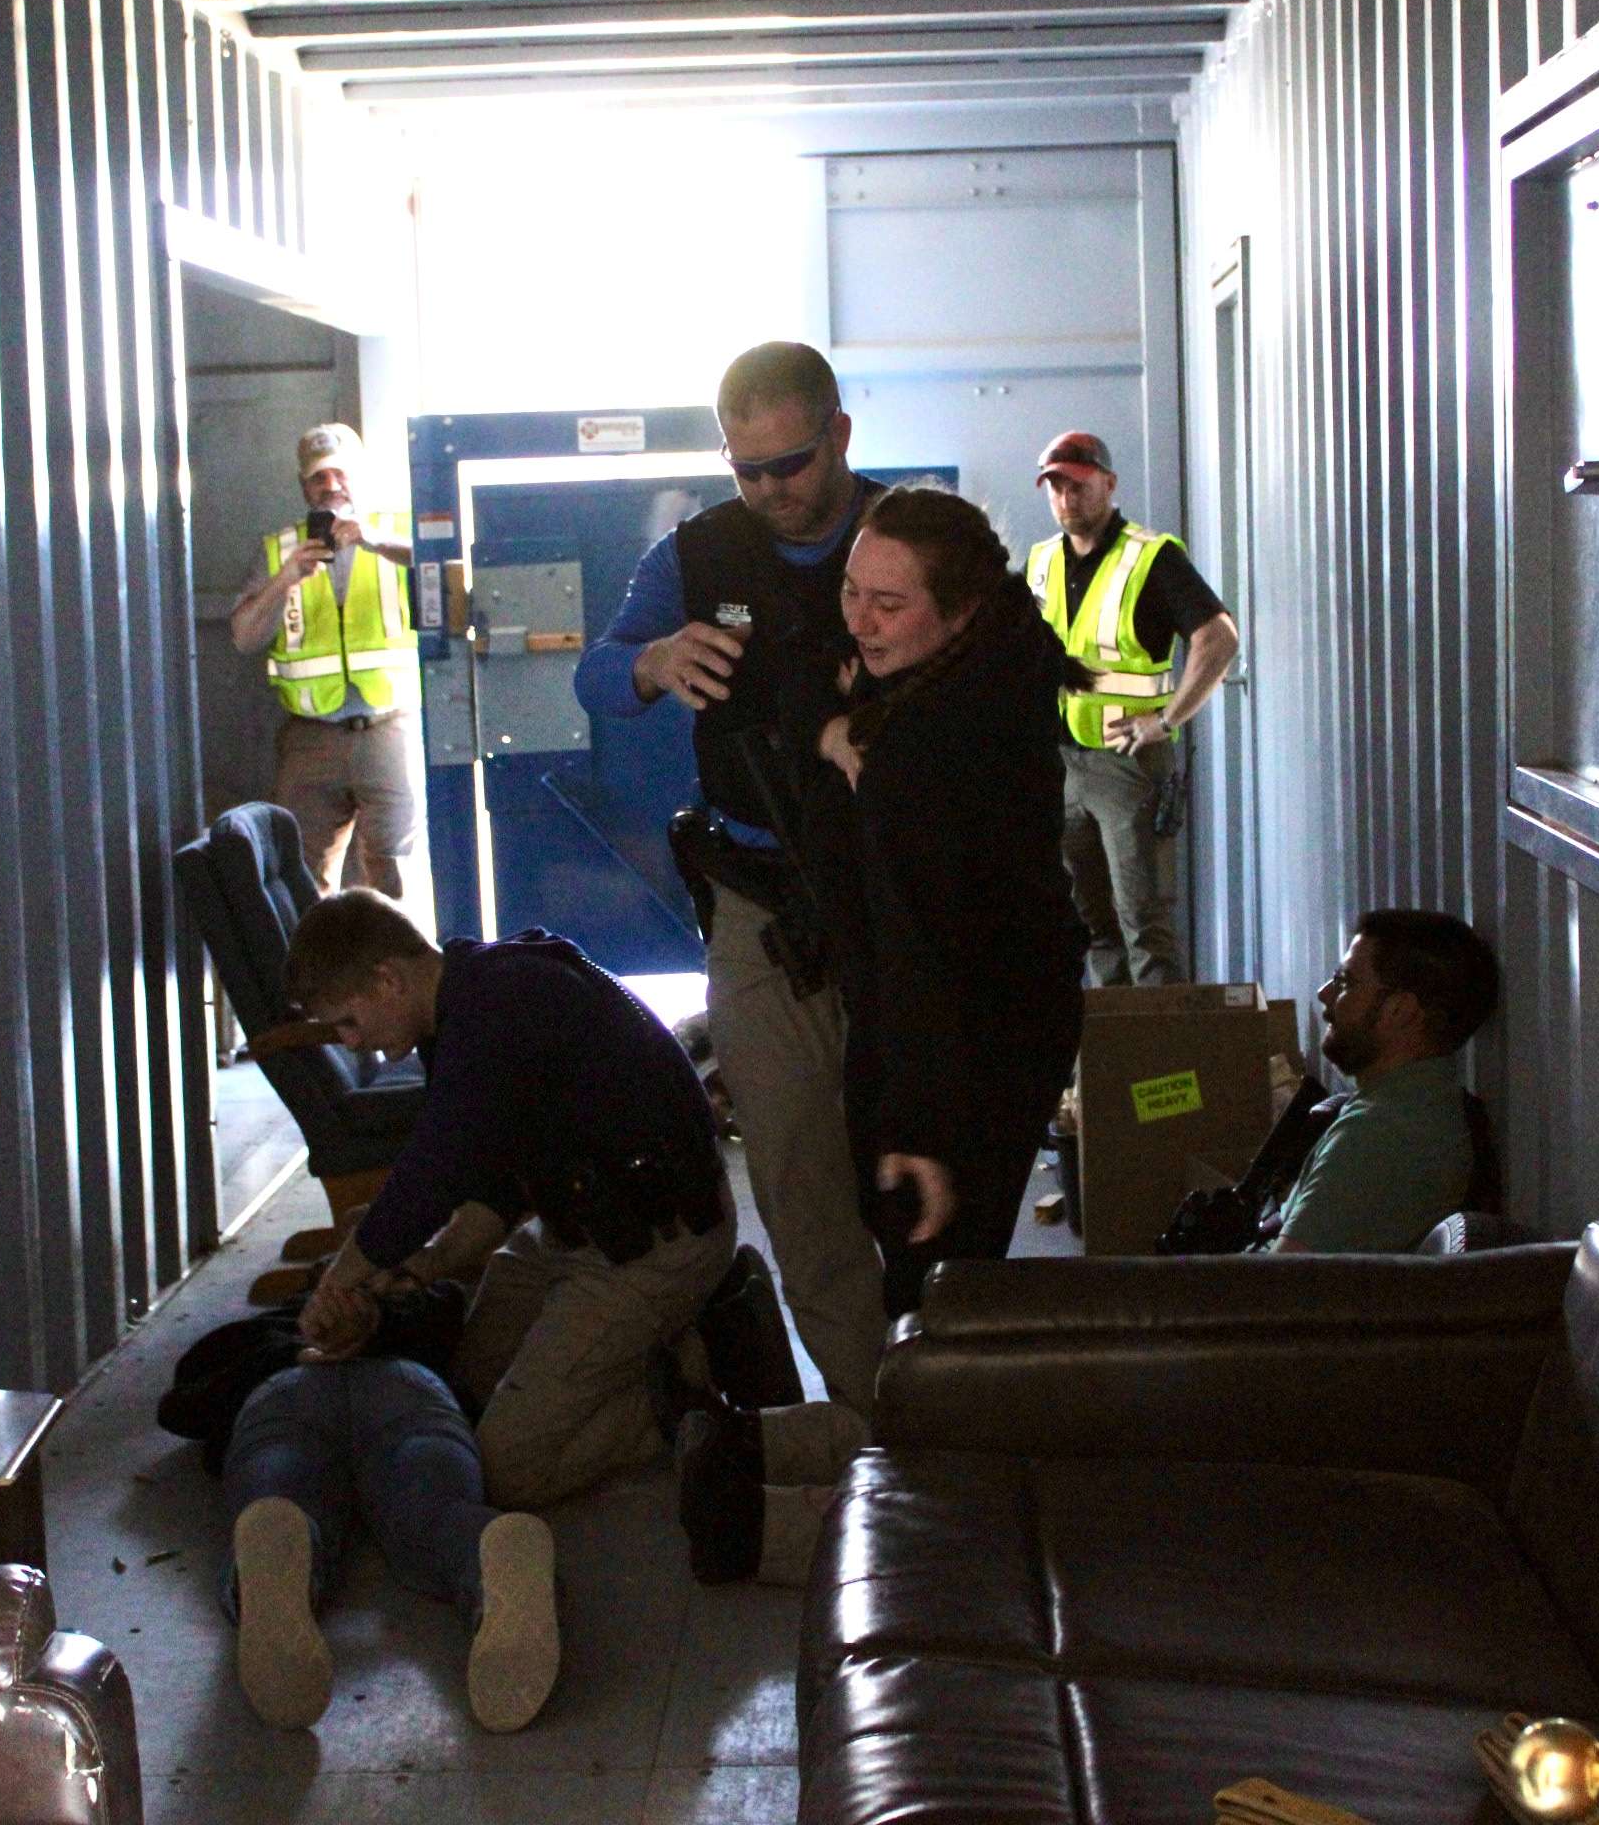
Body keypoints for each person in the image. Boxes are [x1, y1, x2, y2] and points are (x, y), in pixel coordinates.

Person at [674, 487, 1087, 1586]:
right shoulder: (975, 657)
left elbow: (924, 967)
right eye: (853, 588)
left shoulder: (931, 754)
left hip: (972, 1037)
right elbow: (804, 655)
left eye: (887, 604)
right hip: (994, 1006)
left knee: (928, 1290)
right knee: (934, 1284)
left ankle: (918, 1532)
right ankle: (890, 1470)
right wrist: (828, 721)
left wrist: (918, 1129)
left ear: (955, 613)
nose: (859, 618)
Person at [574, 342, 891, 1424]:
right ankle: (878, 1420)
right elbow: (597, 675)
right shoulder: (696, 555)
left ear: (840, 435)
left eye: (791, 465)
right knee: (800, 1189)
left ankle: (958, 1404)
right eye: (746, 470)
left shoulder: (917, 545)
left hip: (906, 902)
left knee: (933, 1169)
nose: (769, 492)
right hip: (761, 913)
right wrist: (652, 660)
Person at [287, 890, 748, 1513]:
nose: (351, 1043)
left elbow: (433, 1170)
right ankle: (654, 1355)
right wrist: (421, 1268)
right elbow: (496, 1183)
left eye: (348, 1022)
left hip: (654, 1244)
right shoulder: (467, 1000)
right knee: (471, 1393)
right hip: (580, 1226)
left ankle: (692, 1386)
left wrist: (337, 1282)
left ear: (387, 979)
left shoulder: (495, 1007)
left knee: (507, 1470)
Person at [201, 1285, 560, 1736]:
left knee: (281, 1486)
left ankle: (268, 1544)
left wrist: (292, 1355)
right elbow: (456, 1321)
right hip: (407, 1384)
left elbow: (185, 1401)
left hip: (284, 1389)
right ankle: (483, 1549)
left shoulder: (256, 1330)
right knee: (433, 1511)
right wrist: (376, 1320)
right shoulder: (417, 1299)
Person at [1025, 429, 1242, 986]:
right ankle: (1118, 1053)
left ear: (1109, 484)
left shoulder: (1151, 558)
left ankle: (1159, 1061)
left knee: (1144, 924)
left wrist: (1167, 721)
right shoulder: (1043, 561)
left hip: (1128, 767)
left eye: (1078, 485)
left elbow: (1218, 638)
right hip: (1063, 765)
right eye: (1055, 488)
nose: (1067, 499)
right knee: (1090, 924)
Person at [230, 422, 422, 896]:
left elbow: (452, 573)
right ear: (303, 487)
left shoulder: (396, 530)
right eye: (318, 477)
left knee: (392, 869)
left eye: (340, 473)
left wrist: (374, 539)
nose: (330, 485)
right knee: (303, 875)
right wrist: (286, 578)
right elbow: (244, 636)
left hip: (388, 730)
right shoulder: (279, 549)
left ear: (361, 477)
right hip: (311, 739)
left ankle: (393, 968)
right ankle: (321, 970)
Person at [1265, 909, 1501, 1252]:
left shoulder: (1378, 1133)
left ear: (1401, 1011)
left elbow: (1268, 1289)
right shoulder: (1417, 1107)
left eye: (1345, 983)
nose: (1324, 994)